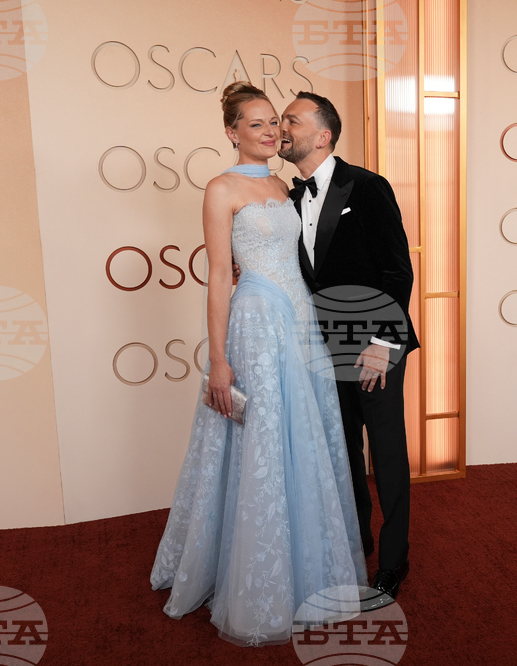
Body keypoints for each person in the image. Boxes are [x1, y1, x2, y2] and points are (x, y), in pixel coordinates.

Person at [150, 82, 366, 647]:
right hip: (257, 323)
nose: (271, 132)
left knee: (300, 441)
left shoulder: (282, 183)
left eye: (276, 123)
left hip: (300, 324)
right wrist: (217, 359)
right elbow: (219, 276)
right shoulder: (220, 189)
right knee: (260, 443)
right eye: (258, 124)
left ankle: (303, 568)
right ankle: (255, 580)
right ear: (231, 133)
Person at [278, 92, 419, 602]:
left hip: (376, 346)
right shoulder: (288, 201)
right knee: (343, 454)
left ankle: (395, 561)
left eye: (292, 119)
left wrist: (384, 342)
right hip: (322, 349)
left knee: (386, 455)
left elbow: (397, 269)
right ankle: (354, 548)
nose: (281, 126)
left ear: (324, 135)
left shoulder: (367, 185)